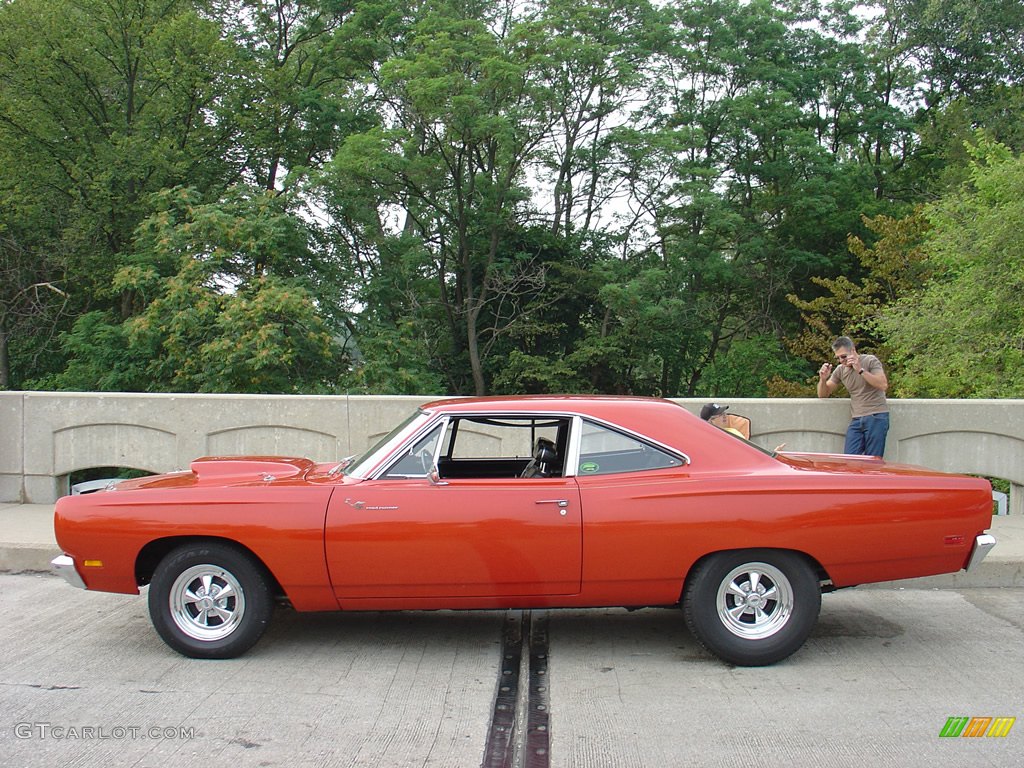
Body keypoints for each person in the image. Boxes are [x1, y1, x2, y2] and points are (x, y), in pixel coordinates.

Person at [817, 336, 889, 456]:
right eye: (838, 358)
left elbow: (883, 384)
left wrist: (860, 370)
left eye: (844, 356)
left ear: (853, 351)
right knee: (850, 460)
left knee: (873, 462)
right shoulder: (841, 370)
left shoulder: (870, 361)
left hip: (876, 416)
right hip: (857, 419)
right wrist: (823, 379)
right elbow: (823, 394)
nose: (841, 360)